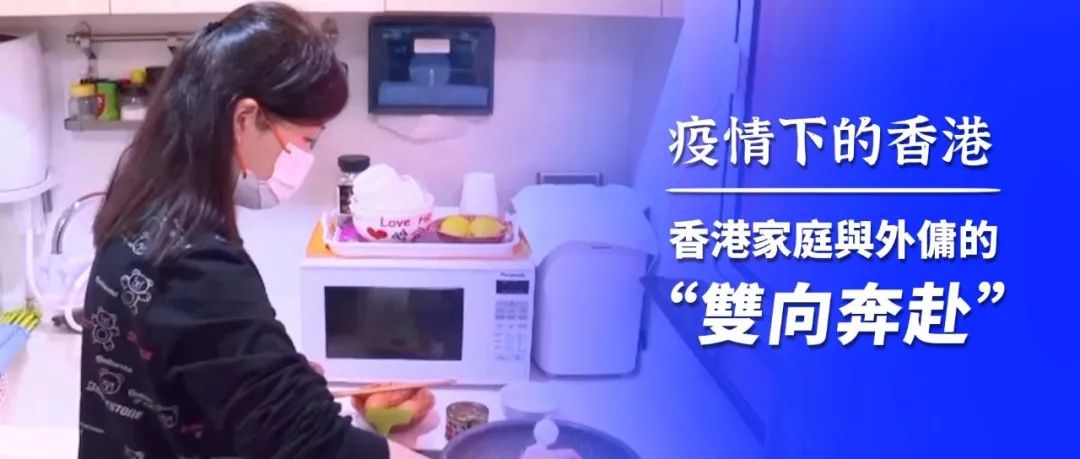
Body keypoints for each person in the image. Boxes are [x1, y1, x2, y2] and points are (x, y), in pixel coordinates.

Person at [79, 3, 425, 458]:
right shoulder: (195, 266)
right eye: (306, 140)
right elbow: (317, 446)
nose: (305, 158)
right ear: (245, 119)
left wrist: (276, 378)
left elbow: (194, 370)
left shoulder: (141, 208)